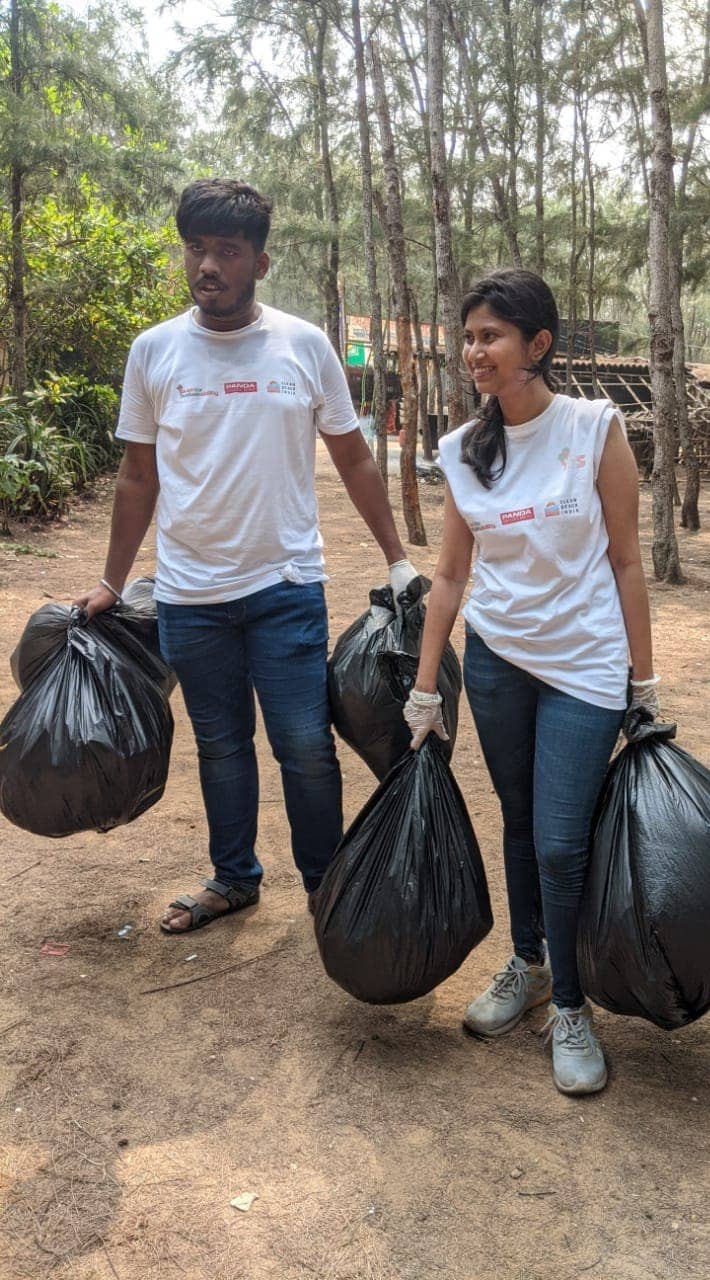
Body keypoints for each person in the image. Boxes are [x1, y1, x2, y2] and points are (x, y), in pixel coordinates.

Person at [74, 178, 417, 933]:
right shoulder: (154, 351)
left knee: (303, 744)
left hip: (284, 585)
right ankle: (235, 879)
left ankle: (327, 887)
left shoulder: (302, 345)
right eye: (196, 248)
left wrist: (396, 556)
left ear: (259, 263)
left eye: (226, 251)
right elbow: (138, 474)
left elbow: (355, 458)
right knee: (221, 744)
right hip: (190, 595)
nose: (208, 265)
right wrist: (111, 580)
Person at [403, 269, 660, 1095]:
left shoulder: (592, 427)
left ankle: (576, 1006)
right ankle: (528, 962)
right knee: (518, 822)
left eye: (490, 336)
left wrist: (643, 680)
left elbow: (626, 561)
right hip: (500, 662)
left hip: (584, 665)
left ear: (537, 346)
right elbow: (447, 576)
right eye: (469, 336)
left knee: (560, 839)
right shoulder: (461, 451)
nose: (473, 350)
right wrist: (426, 685)